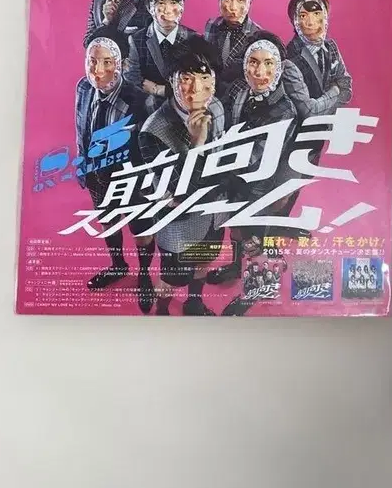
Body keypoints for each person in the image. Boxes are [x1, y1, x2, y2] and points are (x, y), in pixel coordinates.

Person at [209, 33, 300, 315]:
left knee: (257, 242)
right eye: (254, 62)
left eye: (268, 64)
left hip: (262, 187)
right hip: (235, 181)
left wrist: (214, 161)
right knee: (237, 232)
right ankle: (235, 267)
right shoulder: (241, 92)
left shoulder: (285, 109)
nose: (260, 72)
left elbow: (257, 156)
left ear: (279, 68)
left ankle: (254, 293)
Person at [138, 37, 226, 316]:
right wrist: (197, 144)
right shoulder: (152, 130)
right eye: (186, 78)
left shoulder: (217, 108)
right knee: (171, 279)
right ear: (172, 81)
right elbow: (180, 191)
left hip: (213, 212)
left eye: (204, 78)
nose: (196, 89)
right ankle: (162, 310)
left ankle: (194, 302)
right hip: (179, 221)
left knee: (204, 262)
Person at [74, 29, 155, 312]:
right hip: (96, 174)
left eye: (107, 62)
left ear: (119, 64)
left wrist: (146, 184)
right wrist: (82, 164)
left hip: (132, 178)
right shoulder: (83, 88)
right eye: (93, 61)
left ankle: (144, 274)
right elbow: (80, 125)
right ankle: (118, 265)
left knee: (141, 230)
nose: (98, 70)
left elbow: (148, 146)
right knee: (108, 222)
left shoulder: (138, 99)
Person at [124, 0, 195, 113]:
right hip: (148, 110)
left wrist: (160, 90)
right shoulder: (137, 40)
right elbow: (132, 78)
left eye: (174, 3)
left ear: (182, 6)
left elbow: (195, 82)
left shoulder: (194, 39)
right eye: (161, 3)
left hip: (184, 110)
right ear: (149, 7)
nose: (168, 10)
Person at [279, 0, 352, 118]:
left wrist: (322, 103)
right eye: (303, 16)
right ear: (294, 21)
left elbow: (347, 90)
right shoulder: (288, 58)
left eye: (317, 14)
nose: (311, 22)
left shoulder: (331, 47)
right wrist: (336, 89)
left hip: (329, 127)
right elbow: (309, 112)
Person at [204, 0, 263, 91]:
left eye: (240, 0)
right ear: (220, 0)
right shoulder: (211, 25)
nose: (233, 7)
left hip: (240, 95)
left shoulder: (257, 35)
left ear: (249, 3)